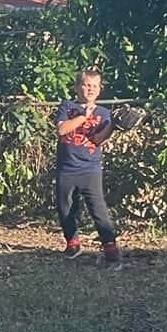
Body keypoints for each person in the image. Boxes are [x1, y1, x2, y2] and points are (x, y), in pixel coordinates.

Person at [51, 70, 123, 269]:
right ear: (77, 87)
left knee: (98, 209)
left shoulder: (103, 113)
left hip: (90, 168)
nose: (90, 89)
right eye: (86, 85)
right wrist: (83, 116)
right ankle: (72, 243)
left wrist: (113, 125)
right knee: (66, 207)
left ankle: (110, 248)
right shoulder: (68, 106)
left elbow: (98, 139)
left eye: (94, 86)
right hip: (67, 167)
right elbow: (62, 129)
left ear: (100, 90)